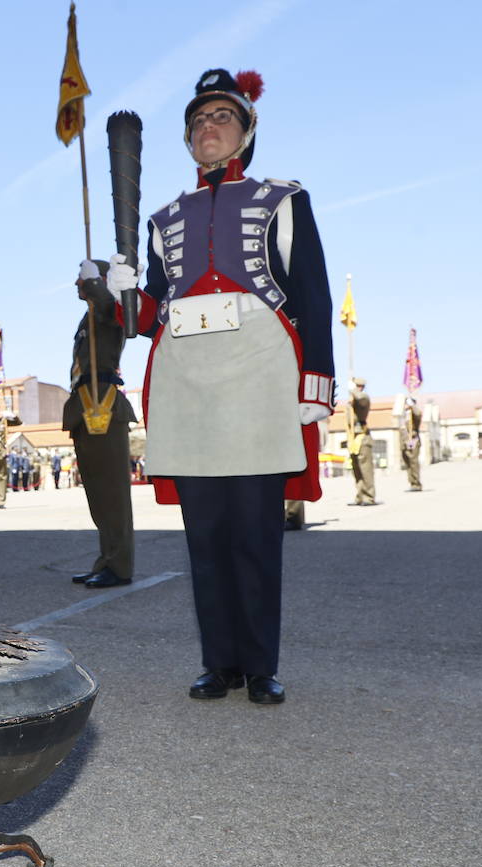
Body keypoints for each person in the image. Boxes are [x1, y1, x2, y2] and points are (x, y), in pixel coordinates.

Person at [95, 67, 334, 704]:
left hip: (259, 371)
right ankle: (219, 663)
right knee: (205, 537)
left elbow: (312, 294)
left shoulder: (283, 199)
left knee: (255, 533)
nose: (207, 127)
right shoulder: (164, 218)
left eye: (220, 117)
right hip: (189, 378)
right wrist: (121, 293)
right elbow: (153, 316)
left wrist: (316, 382)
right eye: (197, 121)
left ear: (247, 131)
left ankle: (260, 665)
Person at [70, 260, 138, 589]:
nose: (76, 284)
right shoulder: (87, 317)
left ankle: (120, 566)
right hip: (85, 405)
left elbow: (111, 309)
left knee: (113, 494)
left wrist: (97, 283)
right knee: (98, 494)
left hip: (105, 407)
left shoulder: (111, 308)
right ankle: (106, 560)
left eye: (81, 279)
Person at [349, 378, 376, 505]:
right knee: (357, 470)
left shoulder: (363, 398)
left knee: (366, 470)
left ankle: (369, 496)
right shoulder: (352, 401)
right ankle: (360, 496)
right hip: (353, 438)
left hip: (362, 438)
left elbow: (360, 398)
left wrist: (352, 389)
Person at [401, 395, 423, 491]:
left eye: (407, 403)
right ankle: (412, 482)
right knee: (408, 463)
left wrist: (412, 405)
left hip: (413, 440)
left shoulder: (414, 415)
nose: (405, 405)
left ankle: (417, 483)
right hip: (405, 441)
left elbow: (418, 413)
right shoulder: (406, 415)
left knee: (413, 462)